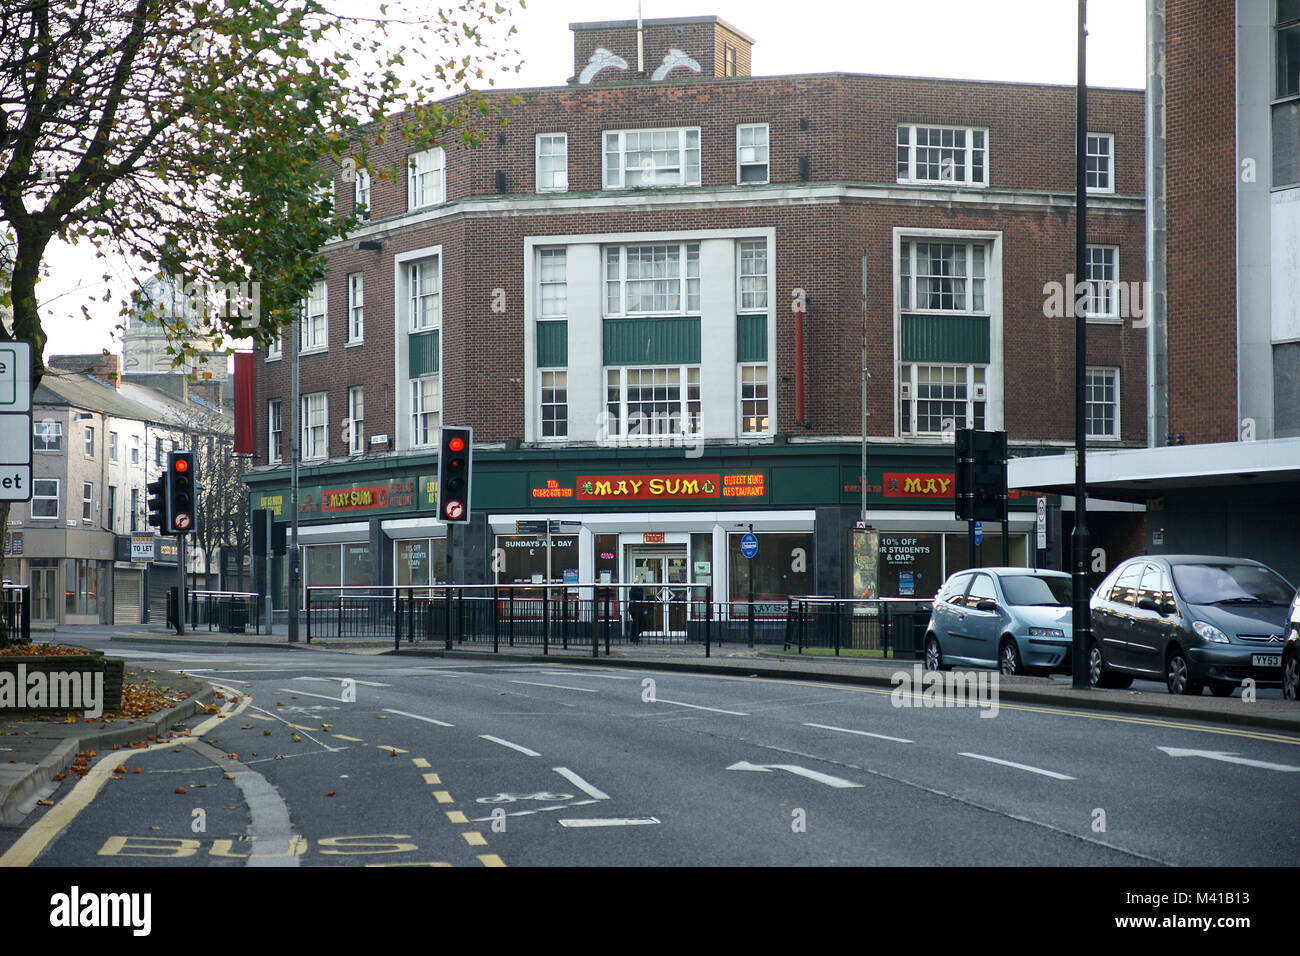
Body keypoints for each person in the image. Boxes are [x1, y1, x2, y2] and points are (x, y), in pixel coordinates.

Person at [627, 577, 645, 644]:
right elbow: (640, 595)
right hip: (635, 608)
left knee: (636, 622)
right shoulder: (634, 589)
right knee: (637, 623)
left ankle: (634, 636)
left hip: (635, 608)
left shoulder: (633, 589)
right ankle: (634, 637)